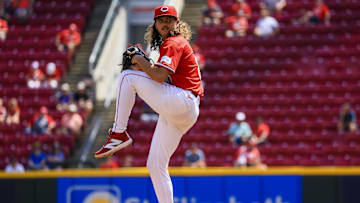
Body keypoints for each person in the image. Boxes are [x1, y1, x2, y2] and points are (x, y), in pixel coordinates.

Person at [94, 5, 203, 203]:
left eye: (169, 19)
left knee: (127, 77)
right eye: (161, 20)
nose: (165, 23)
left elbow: (159, 76)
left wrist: (138, 60)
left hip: (183, 101)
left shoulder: (173, 42)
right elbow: (159, 77)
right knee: (155, 165)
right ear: (155, 24)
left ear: (177, 23)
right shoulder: (172, 44)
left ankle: (119, 133)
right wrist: (143, 64)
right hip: (182, 110)